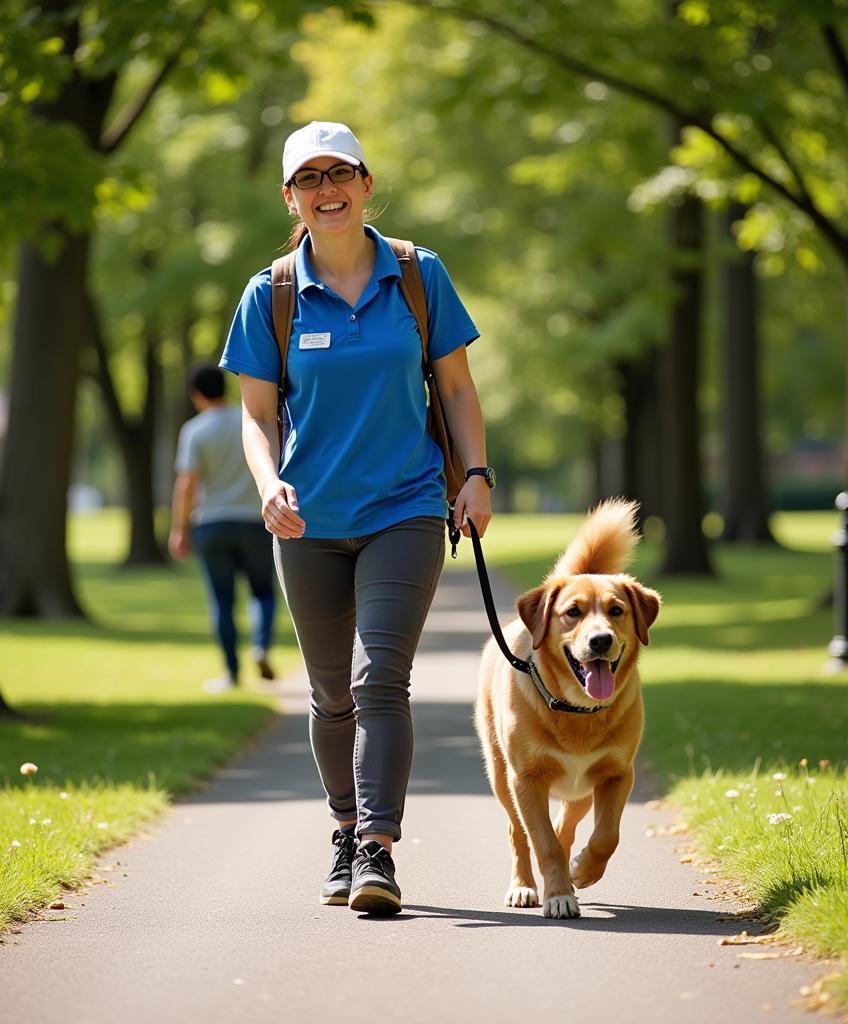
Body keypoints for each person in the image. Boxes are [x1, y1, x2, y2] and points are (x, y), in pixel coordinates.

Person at [219, 121, 494, 916]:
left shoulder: (417, 272)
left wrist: (474, 475)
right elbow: (256, 414)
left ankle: (376, 848)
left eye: (340, 173)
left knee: (381, 679)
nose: (326, 189)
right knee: (330, 692)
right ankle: (342, 830)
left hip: (405, 507)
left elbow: (459, 388)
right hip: (307, 519)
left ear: (367, 184)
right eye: (309, 179)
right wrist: (268, 482)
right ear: (290, 198)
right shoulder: (269, 292)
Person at [169, 365, 278, 692]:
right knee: (262, 592)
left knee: (222, 602)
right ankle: (260, 645)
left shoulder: (194, 430)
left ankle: (231, 674)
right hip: (256, 520)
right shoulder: (249, 423)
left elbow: (187, 483)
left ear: (197, 395)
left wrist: (179, 528)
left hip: (212, 523)